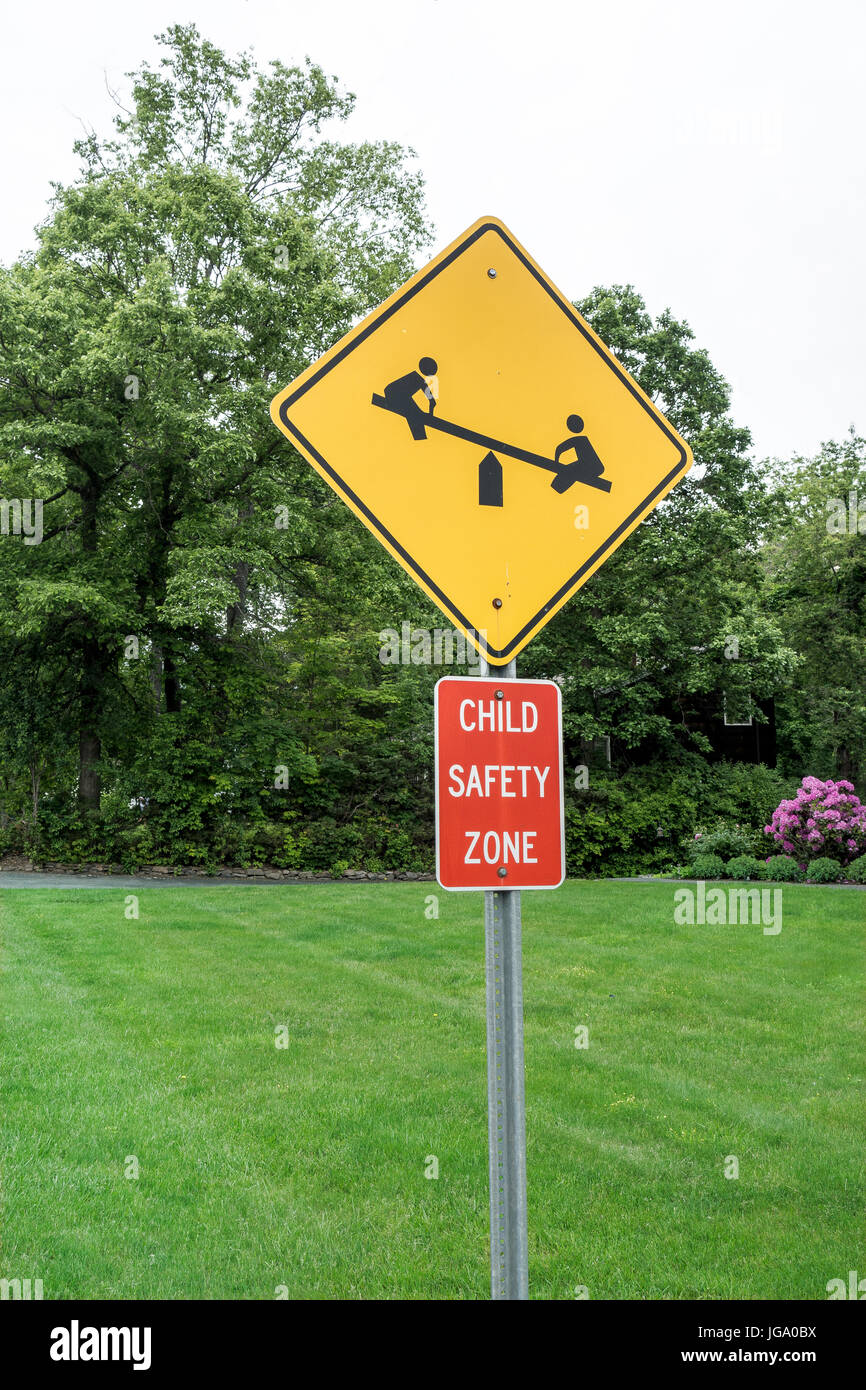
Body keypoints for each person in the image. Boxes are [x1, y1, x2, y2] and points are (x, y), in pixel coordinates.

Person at [382, 357, 439, 440]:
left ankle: (420, 437)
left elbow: (432, 402)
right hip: (395, 395)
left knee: (415, 414)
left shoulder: (416, 378)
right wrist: (430, 415)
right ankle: (420, 437)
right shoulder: (419, 379)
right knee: (416, 414)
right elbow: (432, 402)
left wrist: (429, 414)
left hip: (394, 394)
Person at [554, 414, 606, 481]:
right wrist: (556, 462)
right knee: (562, 476)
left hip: (592, 467)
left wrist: (556, 463)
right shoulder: (581, 439)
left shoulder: (581, 440)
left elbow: (559, 448)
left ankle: (560, 482)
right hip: (591, 467)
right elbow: (559, 448)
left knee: (562, 476)